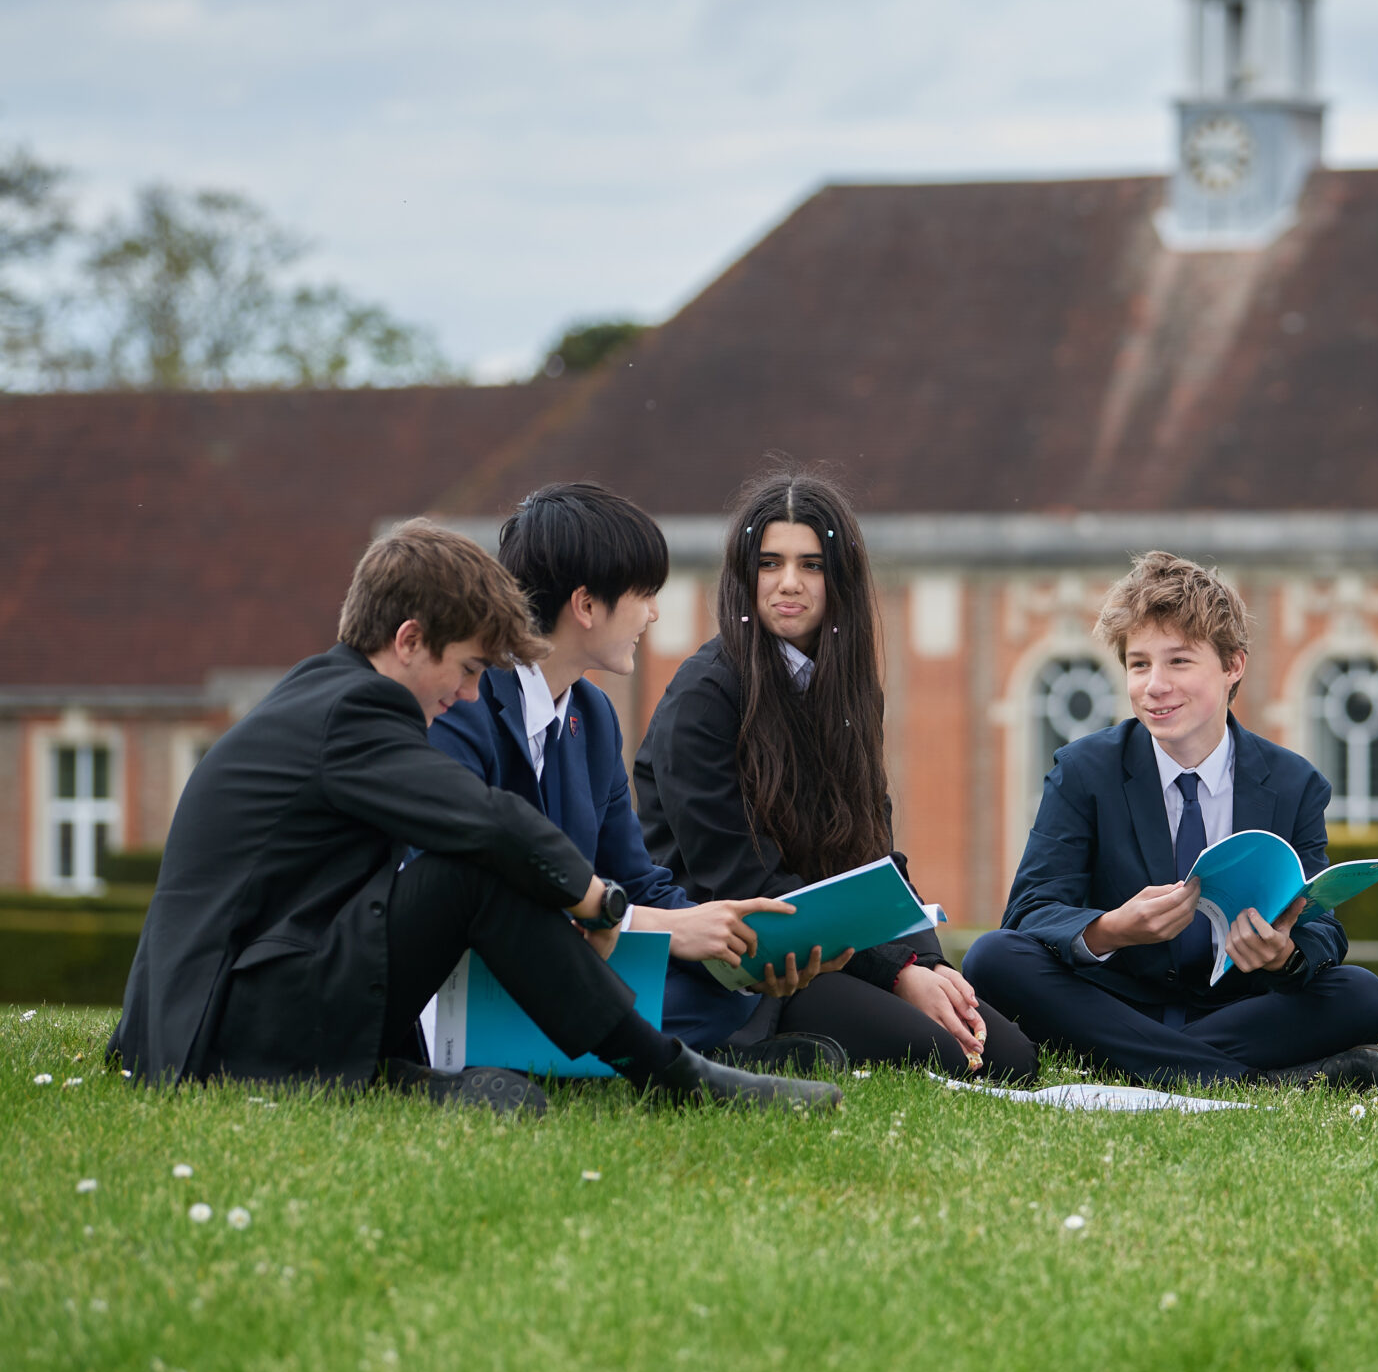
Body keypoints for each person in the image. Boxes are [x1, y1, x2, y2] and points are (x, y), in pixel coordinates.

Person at [110, 520, 839, 1113]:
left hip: (259, 999)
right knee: (473, 872)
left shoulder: (325, 695)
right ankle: (673, 1076)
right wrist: (598, 900)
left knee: (478, 880)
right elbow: (485, 820)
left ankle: (414, 1081)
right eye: (463, 668)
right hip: (225, 1030)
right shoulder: (353, 711)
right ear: (408, 641)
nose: (464, 696)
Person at [634, 468, 1038, 1081]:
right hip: (746, 970)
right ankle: (753, 1050)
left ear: (839, 577)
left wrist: (928, 965)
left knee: (1009, 1057)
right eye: (769, 563)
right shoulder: (704, 697)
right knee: (949, 1056)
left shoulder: (846, 690)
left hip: (832, 953)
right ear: (745, 574)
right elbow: (747, 881)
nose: (788, 583)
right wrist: (897, 974)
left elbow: (873, 853)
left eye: (812, 565)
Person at [429, 482, 841, 1074]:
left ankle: (687, 1044)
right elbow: (478, 889)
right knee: (651, 995)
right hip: (472, 976)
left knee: (719, 993)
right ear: (587, 606)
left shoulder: (592, 716)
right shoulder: (465, 702)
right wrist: (670, 928)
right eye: (645, 594)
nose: (653, 612)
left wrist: (732, 944)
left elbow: (637, 879)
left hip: (574, 963)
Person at [961, 551, 1378, 1089]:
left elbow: (1322, 930)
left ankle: (1149, 1066)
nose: (1154, 686)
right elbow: (1029, 912)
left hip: (1240, 1008)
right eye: (1140, 664)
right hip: (1114, 1001)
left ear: (1233, 665)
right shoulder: (1083, 771)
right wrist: (1111, 930)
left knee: (1362, 995)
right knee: (991, 958)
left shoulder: (1294, 783)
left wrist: (1283, 957)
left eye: (1179, 662)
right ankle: (1259, 1081)